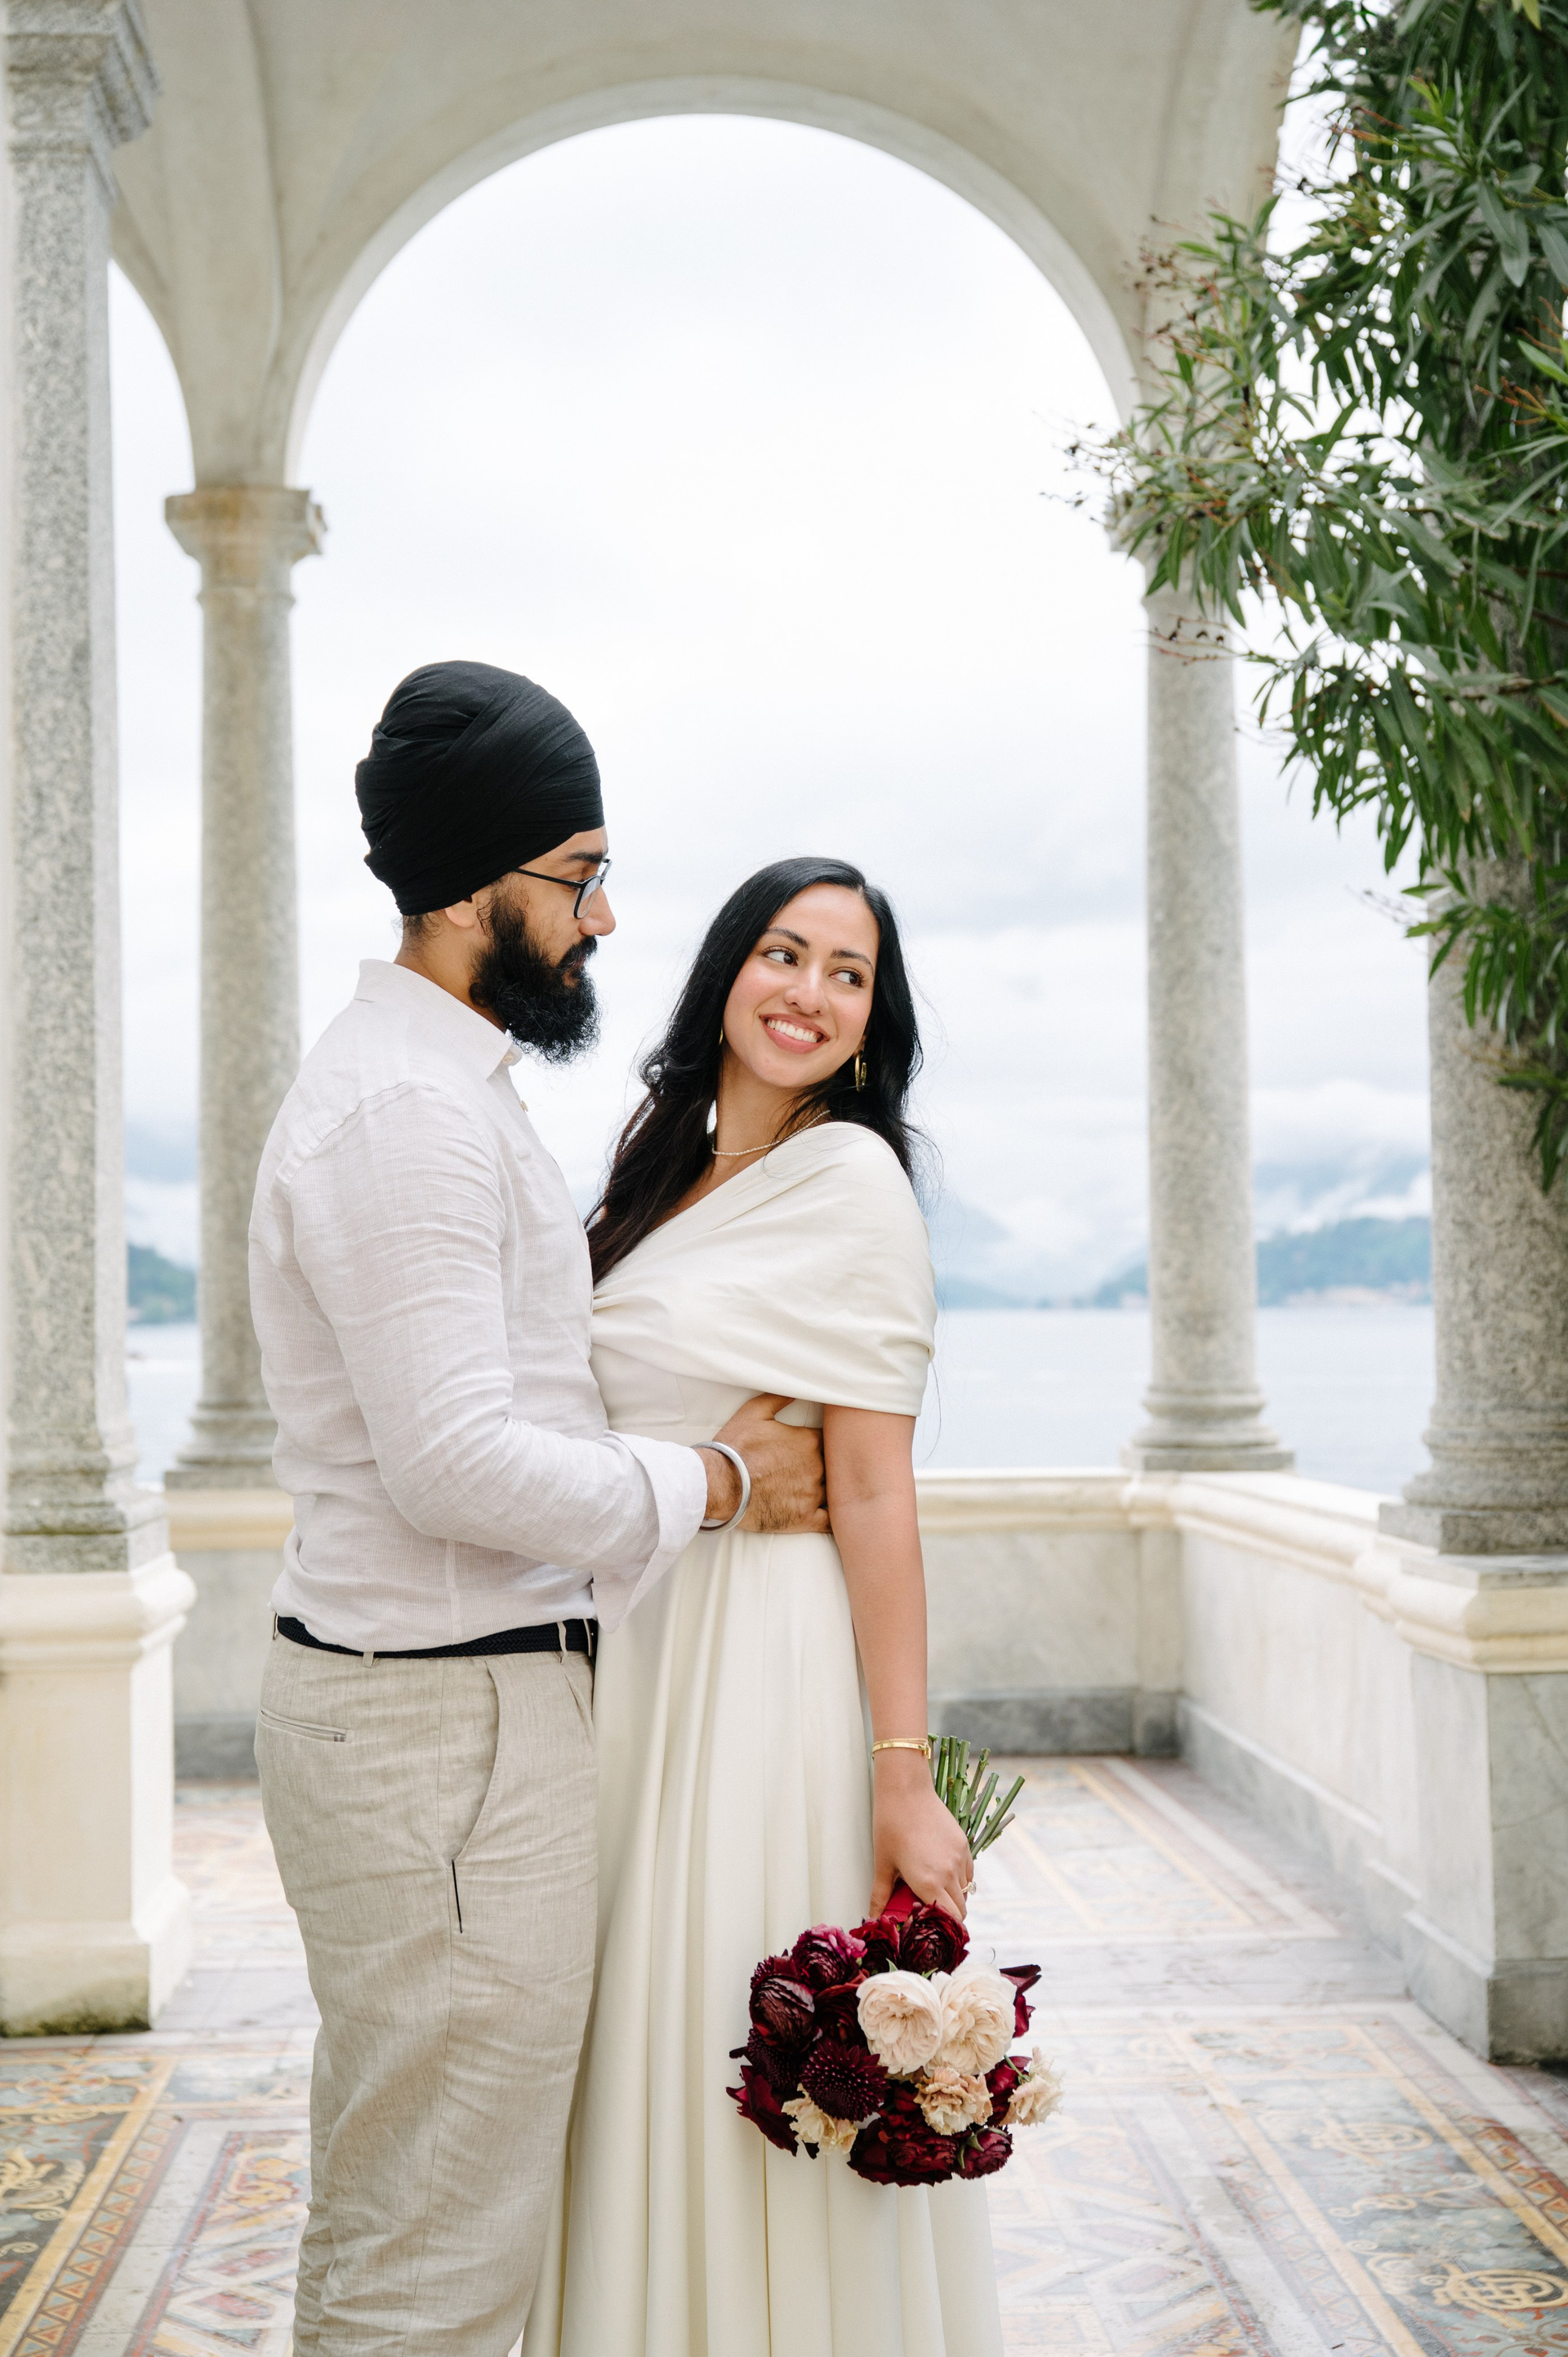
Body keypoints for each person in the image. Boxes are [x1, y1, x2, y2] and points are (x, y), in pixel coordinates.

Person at [249, 662, 827, 2357]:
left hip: (445, 1722)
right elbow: (452, 1463)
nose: (605, 918)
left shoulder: (437, 1088)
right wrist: (718, 1479)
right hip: (442, 1738)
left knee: (424, 2216)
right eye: (577, 877)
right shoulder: (408, 1116)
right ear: (467, 885)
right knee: (433, 2261)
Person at [525, 858, 1003, 2357]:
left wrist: (903, 1774)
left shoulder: (852, 1182)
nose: (809, 991)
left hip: (765, 1663)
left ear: (869, 1025)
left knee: (735, 2023)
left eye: (848, 974)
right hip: (639, 1642)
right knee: (640, 2037)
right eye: (785, 953)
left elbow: (874, 1492)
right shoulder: (656, 1167)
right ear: (729, 969)